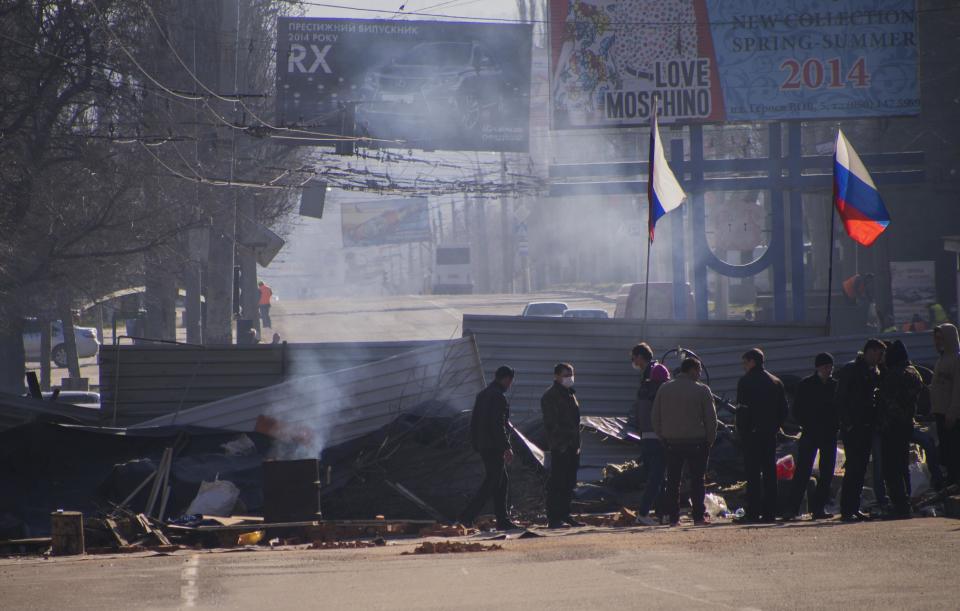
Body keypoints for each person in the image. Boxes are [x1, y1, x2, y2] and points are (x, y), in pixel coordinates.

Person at [651, 357, 718, 526]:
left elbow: (655, 416)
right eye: (699, 371)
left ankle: (673, 518)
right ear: (692, 370)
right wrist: (710, 440)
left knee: (673, 481)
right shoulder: (702, 390)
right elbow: (711, 419)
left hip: (672, 442)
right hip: (697, 442)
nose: (700, 375)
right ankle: (698, 517)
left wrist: (662, 436)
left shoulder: (664, 389)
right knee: (698, 481)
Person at [459, 365, 518, 530]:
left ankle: (502, 520)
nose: (510, 384)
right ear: (506, 379)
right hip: (494, 446)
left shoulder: (483, 395)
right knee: (492, 482)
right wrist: (506, 446)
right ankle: (467, 516)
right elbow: (498, 424)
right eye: (511, 381)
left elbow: (474, 422)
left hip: (484, 445)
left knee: (501, 481)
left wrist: (476, 443)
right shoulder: (498, 397)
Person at [735, 348, 788, 523]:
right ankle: (769, 512)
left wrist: (742, 431)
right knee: (770, 473)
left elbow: (742, 411)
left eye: (745, 362)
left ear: (752, 362)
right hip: (769, 434)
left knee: (753, 474)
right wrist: (775, 427)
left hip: (751, 435)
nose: (743, 366)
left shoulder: (745, 382)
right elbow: (784, 411)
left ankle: (753, 512)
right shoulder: (776, 382)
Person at [836, 338, 886, 522]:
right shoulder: (852, 370)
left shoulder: (874, 371)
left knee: (860, 467)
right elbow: (841, 398)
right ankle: (847, 508)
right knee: (854, 467)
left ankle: (853, 507)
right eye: (878, 353)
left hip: (866, 426)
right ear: (870, 352)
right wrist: (848, 424)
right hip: (854, 427)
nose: (880, 358)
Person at [786, 353, 839, 520]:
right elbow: (797, 410)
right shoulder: (806, 384)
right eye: (825, 366)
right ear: (818, 367)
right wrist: (807, 423)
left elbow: (839, 408)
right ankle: (792, 509)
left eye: (830, 366)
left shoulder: (835, 385)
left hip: (828, 434)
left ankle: (819, 509)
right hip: (811, 433)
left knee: (827, 472)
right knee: (803, 471)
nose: (828, 369)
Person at [878, 340, 923, 519]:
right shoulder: (914, 373)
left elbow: (888, 402)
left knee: (891, 468)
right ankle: (906, 503)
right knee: (902, 465)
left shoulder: (893, 375)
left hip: (892, 427)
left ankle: (899, 505)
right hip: (907, 425)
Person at [630, 343, 671, 525]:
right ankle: (646, 513)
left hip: (647, 437)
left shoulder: (645, 387)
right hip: (658, 438)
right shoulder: (659, 391)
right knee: (658, 477)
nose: (633, 362)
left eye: (634, 357)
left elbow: (639, 415)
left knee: (657, 477)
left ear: (640, 356)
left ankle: (661, 513)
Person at [541, 363, 584, 528]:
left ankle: (565, 514)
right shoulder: (551, 395)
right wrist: (562, 443)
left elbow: (574, 420)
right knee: (557, 482)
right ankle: (554, 518)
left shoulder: (569, 394)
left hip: (573, 445)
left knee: (569, 482)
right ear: (557, 376)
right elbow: (552, 423)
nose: (570, 378)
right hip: (560, 446)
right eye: (566, 375)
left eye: (571, 374)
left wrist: (575, 443)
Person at [931, 324, 960, 485]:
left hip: (951, 415)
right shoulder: (941, 360)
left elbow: (958, 389)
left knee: (954, 450)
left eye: (940, 338)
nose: (937, 342)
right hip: (940, 412)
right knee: (946, 451)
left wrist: (953, 412)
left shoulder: (956, 359)